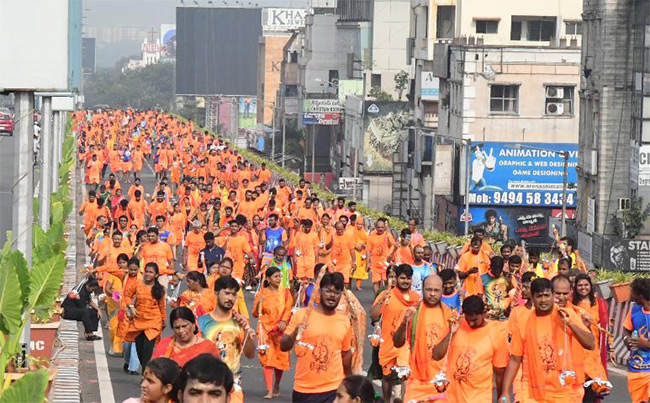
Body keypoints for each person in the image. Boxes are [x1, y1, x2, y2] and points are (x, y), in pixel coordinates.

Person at [499, 277, 596, 403]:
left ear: (553, 296)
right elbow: (515, 359)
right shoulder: (523, 322)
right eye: (539, 296)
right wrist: (505, 392)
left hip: (561, 392)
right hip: (532, 391)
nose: (543, 300)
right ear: (532, 298)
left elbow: (590, 344)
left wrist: (570, 324)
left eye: (547, 295)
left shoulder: (566, 315)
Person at [281, 272, 352, 403]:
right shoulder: (301, 315)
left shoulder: (344, 321)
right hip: (304, 389)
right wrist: (295, 332)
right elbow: (283, 346)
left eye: (337, 292)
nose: (332, 295)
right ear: (319, 292)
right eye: (328, 291)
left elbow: (346, 354)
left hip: (333, 389)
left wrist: (351, 382)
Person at [433, 295, 508, 402]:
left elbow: (500, 374)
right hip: (452, 398)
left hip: (479, 398)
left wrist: (500, 397)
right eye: (467, 320)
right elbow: (436, 355)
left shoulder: (496, 335)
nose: (471, 323)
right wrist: (451, 333)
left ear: (483, 313)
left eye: (475, 320)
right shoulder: (455, 325)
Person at [393, 275, 452, 402]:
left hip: (440, 381)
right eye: (429, 289)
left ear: (442, 290)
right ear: (422, 289)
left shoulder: (450, 315)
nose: (432, 294)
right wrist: (404, 323)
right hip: (415, 381)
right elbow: (397, 343)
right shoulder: (411, 312)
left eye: (436, 290)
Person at [198, 276, 256, 403]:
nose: (230, 298)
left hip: (233, 388)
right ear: (216, 293)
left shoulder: (240, 322)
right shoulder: (202, 322)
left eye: (234, 295)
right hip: (207, 385)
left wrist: (245, 330)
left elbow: (250, 354)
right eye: (227, 293)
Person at [375, 264, 420, 402]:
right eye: (402, 278)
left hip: (406, 344)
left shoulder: (416, 299)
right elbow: (373, 315)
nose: (405, 281)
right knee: (387, 376)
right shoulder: (387, 295)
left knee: (405, 375)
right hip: (388, 342)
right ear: (397, 278)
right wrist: (381, 301)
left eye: (408, 278)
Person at [253, 267, 294, 399]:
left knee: (280, 359)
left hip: (281, 330)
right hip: (265, 330)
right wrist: (258, 305)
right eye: (276, 276)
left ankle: (277, 384)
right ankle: (269, 390)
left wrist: (284, 321)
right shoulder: (262, 294)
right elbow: (255, 314)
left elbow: (288, 309)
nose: (279, 279)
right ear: (268, 278)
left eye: (280, 276)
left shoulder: (285, 293)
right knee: (267, 359)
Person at [572, 273, 612, 402]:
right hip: (576, 349)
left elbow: (605, 327)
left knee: (591, 387)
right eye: (580, 285)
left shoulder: (599, 303)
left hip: (594, 350)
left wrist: (610, 348)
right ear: (575, 287)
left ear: (590, 286)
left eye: (586, 285)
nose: (583, 287)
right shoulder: (571, 303)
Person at [124, 262, 167, 372]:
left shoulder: (159, 289)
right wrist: (131, 306)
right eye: (146, 271)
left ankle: (145, 374)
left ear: (156, 275)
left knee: (147, 350)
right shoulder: (137, 284)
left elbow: (162, 307)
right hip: (138, 320)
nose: (148, 274)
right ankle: (146, 370)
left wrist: (163, 321)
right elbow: (127, 296)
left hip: (153, 322)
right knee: (140, 351)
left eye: (151, 272)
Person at [152, 307, 220, 367]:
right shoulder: (165, 344)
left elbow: (218, 372)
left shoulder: (207, 347)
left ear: (193, 325)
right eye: (177, 327)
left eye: (184, 326)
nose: (181, 331)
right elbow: (154, 369)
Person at [506, 271, 536, 403]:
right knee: (520, 396)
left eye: (526, 288)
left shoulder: (543, 312)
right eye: (522, 287)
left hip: (538, 361)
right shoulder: (517, 311)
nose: (522, 290)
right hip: (519, 360)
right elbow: (510, 336)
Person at [623, 277, 650, 403]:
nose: (631, 295)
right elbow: (626, 330)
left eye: (632, 292)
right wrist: (627, 340)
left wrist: (645, 344)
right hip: (636, 369)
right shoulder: (634, 310)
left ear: (640, 295)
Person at [480, 255, 515, 321]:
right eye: (495, 270)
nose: (498, 272)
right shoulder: (482, 278)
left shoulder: (507, 276)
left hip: (505, 314)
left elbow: (512, 293)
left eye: (499, 269)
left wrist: (509, 282)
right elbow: (480, 296)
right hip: (490, 315)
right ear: (490, 267)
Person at [366, 218, 395, 294]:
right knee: (376, 282)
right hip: (375, 263)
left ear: (384, 227)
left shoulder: (388, 235)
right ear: (376, 227)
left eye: (382, 227)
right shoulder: (371, 237)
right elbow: (368, 251)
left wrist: (391, 259)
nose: (380, 229)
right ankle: (377, 298)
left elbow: (394, 246)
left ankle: (387, 297)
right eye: (378, 227)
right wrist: (367, 263)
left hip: (386, 263)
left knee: (386, 281)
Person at [350, 219, 369, 291]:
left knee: (360, 270)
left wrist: (363, 246)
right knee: (351, 269)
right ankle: (349, 284)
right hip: (354, 252)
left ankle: (358, 285)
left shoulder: (365, 233)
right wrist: (355, 246)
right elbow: (350, 242)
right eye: (358, 224)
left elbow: (368, 243)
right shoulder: (352, 233)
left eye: (361, 224)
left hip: (362, 253)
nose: (359, 226)